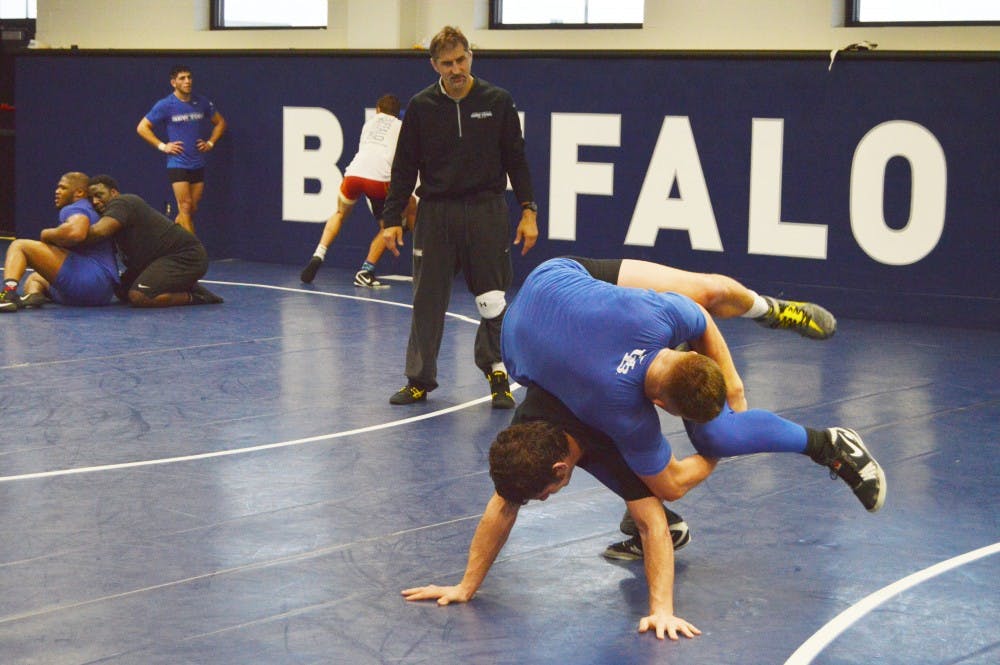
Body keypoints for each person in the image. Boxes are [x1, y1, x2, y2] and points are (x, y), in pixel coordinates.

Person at [402, 257, 884, 640]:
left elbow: (667, 490)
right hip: (563, 320)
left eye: (547, 493)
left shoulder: (622, 410)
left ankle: (771, 316)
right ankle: (769, 438)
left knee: (713, 314)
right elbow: (505, 502)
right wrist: (466, 586)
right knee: (673, 470)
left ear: (562, 466)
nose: (547, 500)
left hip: (578, 283)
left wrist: (730, 398)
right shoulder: (535, 416)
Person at [379, 25, 538, 409]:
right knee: (427, 300)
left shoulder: (498, 101)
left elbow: (516, 160)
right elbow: (403, 167)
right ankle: (419, 379)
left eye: (461, 59)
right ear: (435, 65)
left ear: (471, 56)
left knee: (492, 299)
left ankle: (497, 372)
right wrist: (390, 220)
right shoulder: (420, 106)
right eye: (447, 63)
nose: (456, 68)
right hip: (435, 214)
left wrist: (529, 210)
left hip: (486, 210)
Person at [300, 94, 418, 288]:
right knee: (399, 216)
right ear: (397, 113)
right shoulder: (400, 126)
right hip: (380, 180)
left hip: (353, 174)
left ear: (378, 109)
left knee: (339, 213)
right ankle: (371, 269)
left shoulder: (368, 124)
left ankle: (318, 253)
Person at [54, 174, 223, 308]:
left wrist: (66, 234)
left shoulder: (123, 202)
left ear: (114, 193)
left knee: (140, 296)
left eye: (99, 195)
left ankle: (196, 297)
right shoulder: (107, 214)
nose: (96, 202)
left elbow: (99, 233)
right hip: (156, 260)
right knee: (122, 291)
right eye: (92, 199)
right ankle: (187, 286)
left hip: (186, 257)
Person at [0, 172, 119, 312]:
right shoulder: (90, 209)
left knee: (19, 246)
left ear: (79, 192)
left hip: (89, 282)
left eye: (63, 188)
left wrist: (46, 234)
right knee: (35, 278)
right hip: (103, 294)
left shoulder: (77, 207)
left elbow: (76, 232)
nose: (57, 192)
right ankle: (34, 295)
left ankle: (8, 294)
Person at [137, 64, 227, 236]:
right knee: (184, 205)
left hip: (198, 162)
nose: (187, 81)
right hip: (177, 162)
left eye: (189, 77)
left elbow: (220, 123)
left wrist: (210, 143)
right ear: (173, 82)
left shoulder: (201, 102)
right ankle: (193, 252)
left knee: (191, 208)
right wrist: (163, 146)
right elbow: (142, 127)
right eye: (182, 78)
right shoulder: (165, 105)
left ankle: (170, 239)